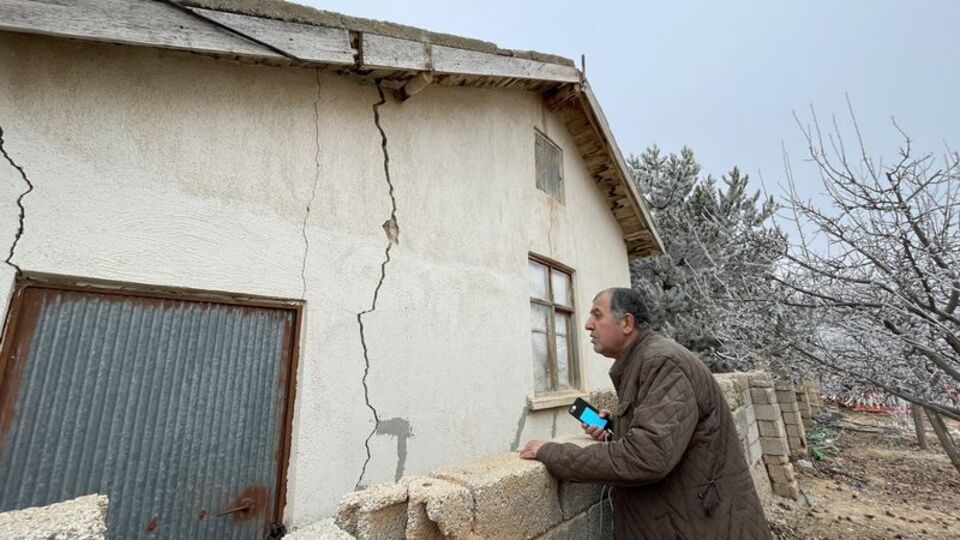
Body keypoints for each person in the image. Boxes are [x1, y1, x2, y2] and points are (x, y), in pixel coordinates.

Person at [520, 288, 771, 539]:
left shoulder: (663, 363)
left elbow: (647, 456)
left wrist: (552, 453)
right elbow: (666, 429)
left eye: (597, 315)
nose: (588, 325)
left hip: (703, 524)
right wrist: (615, 426)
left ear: (627, 323)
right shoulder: (644, 360)